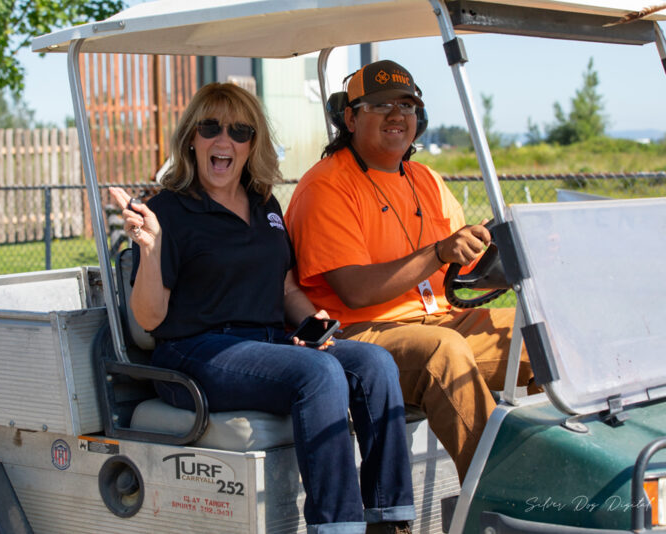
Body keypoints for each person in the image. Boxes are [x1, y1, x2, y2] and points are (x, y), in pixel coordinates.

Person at [110, 82, 415, 534]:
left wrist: (313, 322)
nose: (223, 140)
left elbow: (286, 286)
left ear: (252, 144)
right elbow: (151, 319)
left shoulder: (264, 204)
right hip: (194, 353)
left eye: (239, 131)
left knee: (373, 363)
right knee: (318, 374)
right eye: (210, 127)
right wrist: (149, 249)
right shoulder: (167, 213)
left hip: (264, 345)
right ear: (191, 138)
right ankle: (337, 527)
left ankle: (390, 519)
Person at [285, 60, 537, 483]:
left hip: (439, 321)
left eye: (407, 105)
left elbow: (469, 270)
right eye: (380, 105)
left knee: (542, 333)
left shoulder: (428, 181)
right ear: (350, 117)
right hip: (360, 336)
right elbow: (356, 292)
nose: (397, 115)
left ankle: (573, 481)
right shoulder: (326, 186)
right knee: (443, 351)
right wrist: (439, 252)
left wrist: (518, 254)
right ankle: (508, 494)